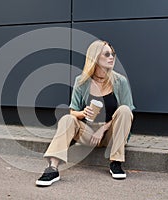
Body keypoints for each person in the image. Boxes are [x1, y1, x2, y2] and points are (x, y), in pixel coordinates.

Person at [36, 40, 135, 187]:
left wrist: (102, 129)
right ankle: (52, 168)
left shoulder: (120, 81)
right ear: (95, 58)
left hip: (111, 134)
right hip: (87, 133)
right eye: (107, 54)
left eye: (112, 54)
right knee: (67, 119)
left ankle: (116, 162)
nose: (111, 57)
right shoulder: (81, 81)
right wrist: (82, 113)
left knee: (125, 110)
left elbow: (128, 112)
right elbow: (73, 111)